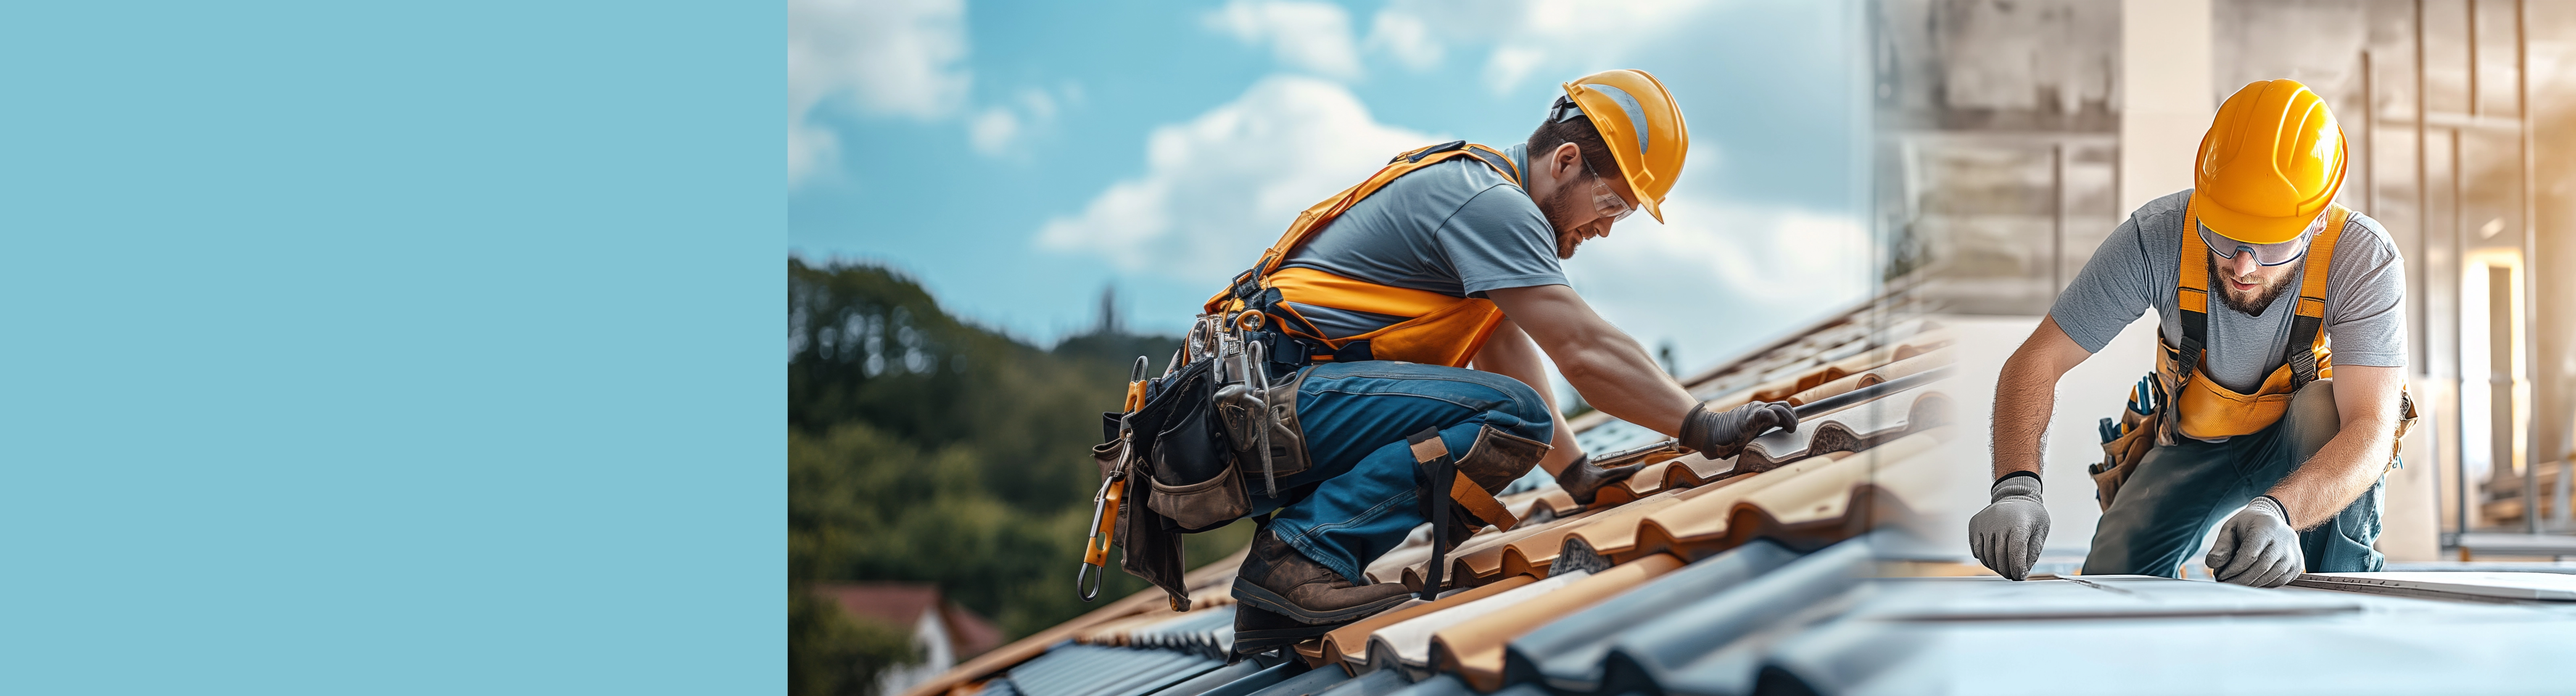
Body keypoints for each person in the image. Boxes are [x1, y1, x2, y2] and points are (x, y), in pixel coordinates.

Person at [1148, 69, 1798, 653]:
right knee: (1513, 419)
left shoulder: (1481, 193)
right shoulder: (1491, 204)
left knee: (1509, 410)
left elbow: (1499, 342)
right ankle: (1298, 562)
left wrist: (1576, 476)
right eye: (1613, 206)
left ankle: (1295, 578)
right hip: (1259, 407)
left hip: (1254, 409)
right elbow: (1584, 349)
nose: (1606, 229)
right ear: (1567, 161)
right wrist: (1700, 424)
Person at [1969, 79, 2411, 587]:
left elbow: (2371, 426)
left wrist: (2281, 510)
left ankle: (2338, 602)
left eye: (2269, 244)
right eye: (2223, 233)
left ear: (2315, 223)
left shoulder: (2362, 258)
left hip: (2304, 446)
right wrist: (2016, 486)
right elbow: (2036, 360)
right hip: (2195, 443)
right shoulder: (2156, 237)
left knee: (2323, 410)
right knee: (2111, 580)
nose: (2242, 264)